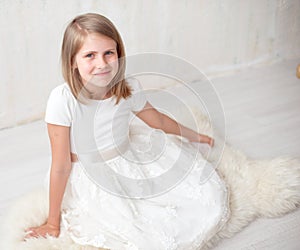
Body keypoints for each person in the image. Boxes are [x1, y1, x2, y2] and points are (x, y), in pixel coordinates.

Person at [24, 13, 229, 249]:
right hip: (90, 175)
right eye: (90, 55)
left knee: (199, 198)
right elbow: (60, 164)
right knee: (133, 229)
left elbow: (158, 121)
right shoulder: (63, 100)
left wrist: (194, 135)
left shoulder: (128, 87)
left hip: (128, 156)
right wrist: (52, 222)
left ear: (118, 54)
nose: (102, 63)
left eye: (108, 53)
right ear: (72, 61)